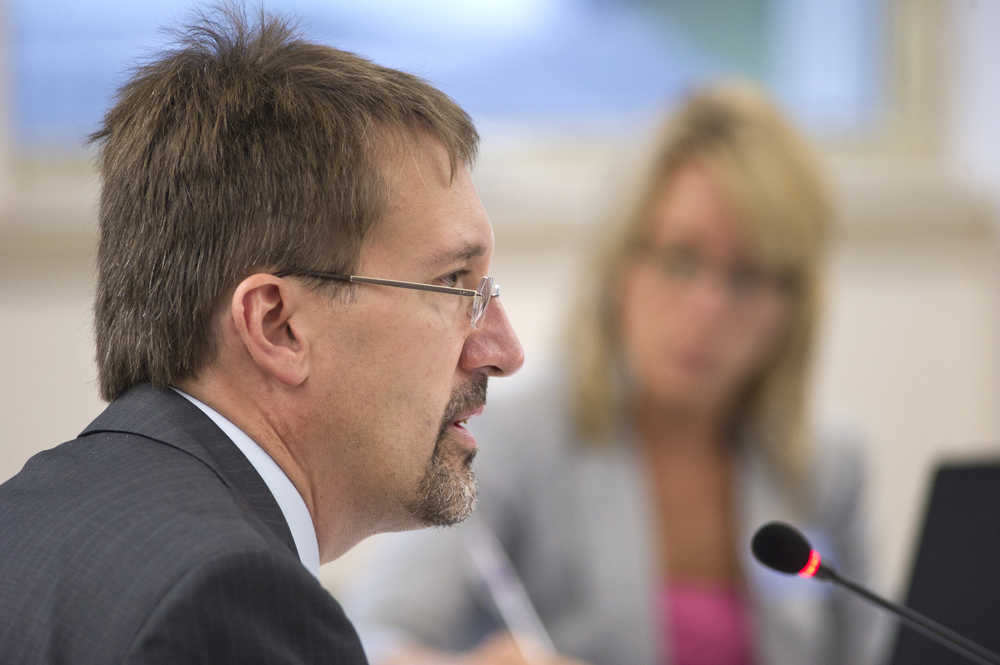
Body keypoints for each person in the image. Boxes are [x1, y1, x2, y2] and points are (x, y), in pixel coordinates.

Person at [0, 7, 525, 664]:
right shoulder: (232, 600)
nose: (504, 350)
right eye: (455, 283)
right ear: (277, 325)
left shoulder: (27, 514)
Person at [343, 83, 878, 665]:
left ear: (794, 305)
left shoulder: (827, 462)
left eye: (747, 277)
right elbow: (374, 642)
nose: (707, 310)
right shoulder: (506, 436)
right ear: (621, 264)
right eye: (681, 260)